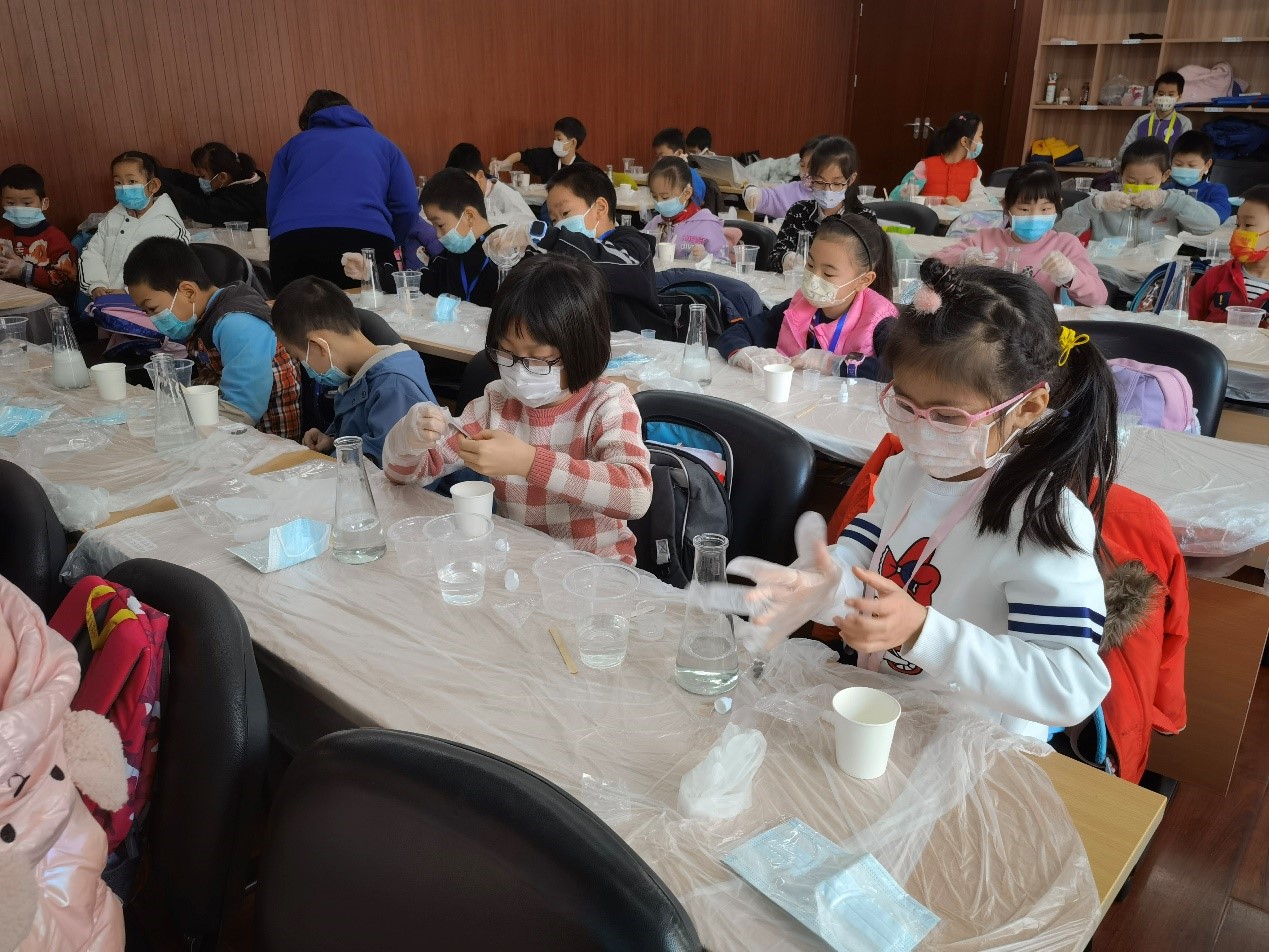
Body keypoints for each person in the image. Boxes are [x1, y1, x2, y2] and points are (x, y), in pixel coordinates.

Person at [702, 259, 1116, 741]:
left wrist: (923, 632)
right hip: (885, 709)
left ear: (1027, 408)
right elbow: (863, 558)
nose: (921, 431)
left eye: (948, 417)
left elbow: (1070, 685)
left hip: (971, 741)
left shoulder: (1042, 518)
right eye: (904, 405)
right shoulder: (908, 469)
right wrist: (823, 584)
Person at [382, 254, 653, 564]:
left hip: (595, 570)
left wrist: (529, 462)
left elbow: (635, 495)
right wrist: (410, 438)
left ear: (582, 349)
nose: (519, 372)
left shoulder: (607, 403)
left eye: (537, 359)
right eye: (506, 352)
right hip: (523, 565)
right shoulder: (496, 403)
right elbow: (404, 475)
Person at [123, 236, 301, 438]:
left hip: (266, 438)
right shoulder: (205, 314)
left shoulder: (237, 324)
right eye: (145, 312)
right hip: (225, 424)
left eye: (153, 308)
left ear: (188, 292)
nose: (152, 319)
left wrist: (176, 417)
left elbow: (241, 411)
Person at [272, 276, 436, 464]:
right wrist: (333, 442)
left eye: (299, 358)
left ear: (319, 347)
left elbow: (385, 466)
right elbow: (360, 436)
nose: (304, 366)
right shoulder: (355, 375)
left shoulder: (395, 387)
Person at [267, 90, 417, 292]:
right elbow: (407, 207)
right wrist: (390, 239)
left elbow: (274, 208)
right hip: (365, 238)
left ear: (307, 121)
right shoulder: (384, 145)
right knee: (369, 310)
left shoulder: (291, 147)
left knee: (295, 310)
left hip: (292, 241)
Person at [485, 162, 662, 333]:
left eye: (565, 213)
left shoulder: (635, 244)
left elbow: (605, 262)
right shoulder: (564, 247)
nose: (559, 225)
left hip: (642, 346)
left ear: (600, 208)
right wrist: (507, 254)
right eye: (554, 220)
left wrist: (543, 235)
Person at [717, 215, 896, 376]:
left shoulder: (879, 321)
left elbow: (896, 370)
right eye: (810, 265)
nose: (814, 278)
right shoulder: (797, 306)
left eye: (828, 274)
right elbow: (735, 333)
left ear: (864, 280)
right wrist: (748, 354)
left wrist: (832, 363)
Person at [935, 164, 1107, 306]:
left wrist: (1071, 276)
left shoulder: (1065, 245)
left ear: (1057, 205)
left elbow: (1099, 297)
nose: (1034, 217)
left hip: (1038, 328)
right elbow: (934, 263)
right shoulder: (985, 239)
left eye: (1045, 209)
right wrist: (963, 258)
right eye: (1024, 209)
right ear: (1006, 206)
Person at [1057, 138, 1220, 279]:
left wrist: (1168, 200)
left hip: (1154, 279)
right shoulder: (1105, 202)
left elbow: (1209, 225)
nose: (1140, 187)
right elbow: (1059, 231)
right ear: (1121, 174)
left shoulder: (1172, 203)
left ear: (1165, 175)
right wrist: (1092, 205)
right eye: (1131, 181)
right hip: (1107, 278)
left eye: (1149, 182)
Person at [79, 151, 187, 300]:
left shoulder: (169, 226)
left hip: (146, 306)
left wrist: (130, 293)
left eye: (132, 181)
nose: (124, 188)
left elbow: (172, 270)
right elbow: (92, 253)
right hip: (105, 302)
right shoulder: (112, 218)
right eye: (118, 182)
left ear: (153, 185)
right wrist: (96, 286)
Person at [772, 136, 875, 272]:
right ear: (811, 177)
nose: (827, 190)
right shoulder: (799, 212)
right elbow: (773, 258)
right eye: (820, 182)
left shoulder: (863, 218)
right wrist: (785, 259)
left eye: (836, 183)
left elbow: (871, 267)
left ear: (851, 179)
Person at [1190, 185, 1269, 326]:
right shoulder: (1216, 276)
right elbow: (1187, 324)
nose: (1238, 231)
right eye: (1237, 224)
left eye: (1248, 225)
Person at [0, 163, 77, 304]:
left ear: (44, 203)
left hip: (46, 304)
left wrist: (22, 270)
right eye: (10, 203)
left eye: (27, 203)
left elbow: (68, 282)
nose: (18, 208)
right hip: (9, 302)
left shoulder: (54, 238)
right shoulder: (3, 236)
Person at [158, 142, 268, 228]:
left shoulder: (246, 198)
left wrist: (162, 186)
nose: (201, 180)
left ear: (222, 177)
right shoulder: (235, 182)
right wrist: (155, 172)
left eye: (203, 176)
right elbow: (188, 181)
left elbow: (202, 209)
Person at [893, 112, 988, 206]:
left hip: (959, 217)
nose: (981, 141)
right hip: (928, 216)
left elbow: (979, 202)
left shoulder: (974, 169)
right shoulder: (925, 167)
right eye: (980, 136)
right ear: (965, 141)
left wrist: (961, 205)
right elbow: (898, 198)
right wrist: (907, 192)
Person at [642, 156, 727, 261]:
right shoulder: (655, 224)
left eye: (665, 197)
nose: (659, 202)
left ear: (687, 193)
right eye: (654, 196)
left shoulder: (707, 225)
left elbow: (724, 263)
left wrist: (707, 258)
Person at [445, 142, 536, 228]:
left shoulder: (507, 195)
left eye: (464, 184)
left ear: (480, 176)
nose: (461, 190)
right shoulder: (458, 192)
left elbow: (533, 228)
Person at [743, 135, 825, 220]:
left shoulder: (831, 197)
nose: (805, 172)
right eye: (802, 165)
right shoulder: (793, 190)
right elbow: (770, 198)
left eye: (812, 167)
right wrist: (753, 193)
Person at [489, 117, 590, 184]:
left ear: (572, 143)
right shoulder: (547, 156)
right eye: (554, 138)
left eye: (559, 139)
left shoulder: (584, 169)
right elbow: (522, 155)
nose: (555, 142)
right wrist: (505, 163)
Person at [1120, 72, 1191, 158]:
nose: (1165, 98)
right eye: (1161, 94)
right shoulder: (1141, 120)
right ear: (1154, 95)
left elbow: (1185, 154)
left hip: (1168, 166)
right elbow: (1125, 149)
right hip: (1141, 165)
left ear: (1179, 97)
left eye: (1171, 95)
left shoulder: (1184, 123)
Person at [1165, 130, 1232, 223]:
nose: (1184, 169)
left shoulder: (1216, 190)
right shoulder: (1167, 190)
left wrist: (1181, 204)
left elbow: (1223, 213)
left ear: (1207, 164)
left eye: (1191, 165)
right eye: (1178, 164)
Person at [651, 128, 707, 207]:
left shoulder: (692, 176)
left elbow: (696, 204)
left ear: (679, 153)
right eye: (657, 157)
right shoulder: (663, 175)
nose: (659, 160)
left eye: (662, 156)